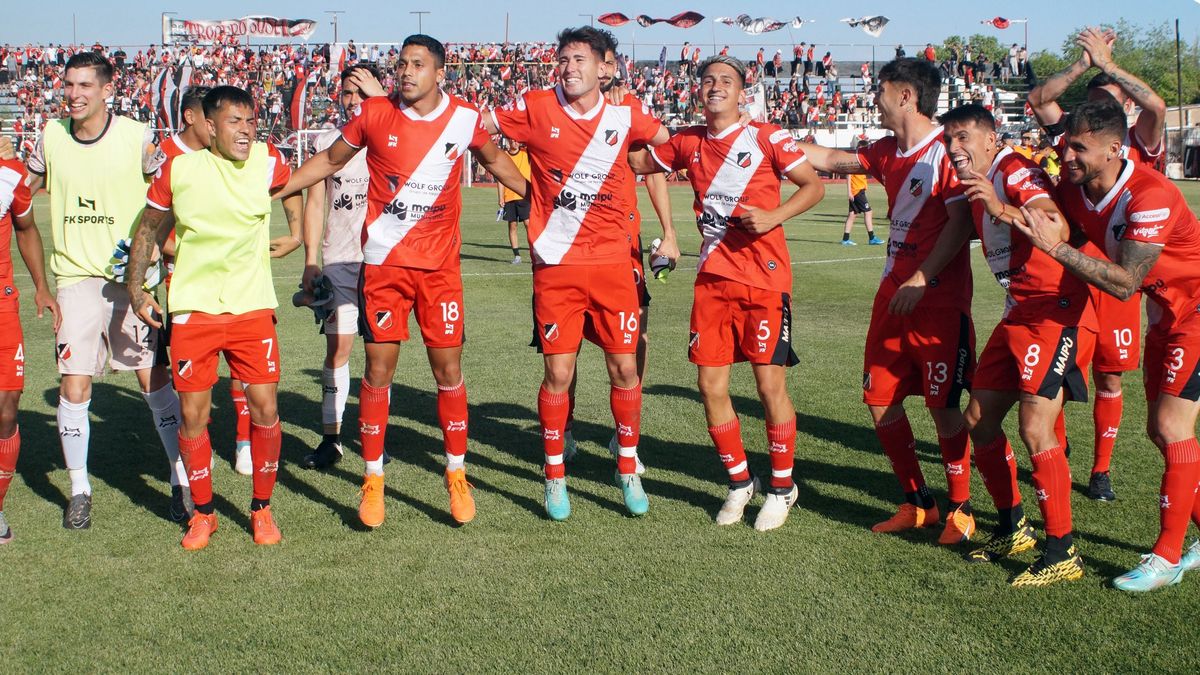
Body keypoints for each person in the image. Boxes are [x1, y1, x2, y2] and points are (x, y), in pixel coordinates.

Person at [280, 34, 529, 527]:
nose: (406, 72)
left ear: (440, 73)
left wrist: (543, 198)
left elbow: (496, 160)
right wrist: (276, 188)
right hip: (385, 268)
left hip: (440, 273)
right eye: (402, 64)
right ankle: (373, 480)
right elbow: (329, 160)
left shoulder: (463, 117)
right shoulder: (374, 114)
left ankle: (456, 473)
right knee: (377, 372)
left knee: (448, 373)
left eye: (418, 64)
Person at [630, 55, 824, 530]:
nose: (715, 86)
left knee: (768, 385)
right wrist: (625, 111)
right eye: (708, 80)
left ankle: (782, 486)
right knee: (709, 386)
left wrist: (775, 217)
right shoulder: (688, 141)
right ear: (699, 91)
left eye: (726, 81)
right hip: (714, 280)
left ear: (742, 92)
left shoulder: (767, 136)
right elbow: (636, 160)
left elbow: (813, 186)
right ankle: (740, 481)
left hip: (765, 279)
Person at [485, 26, 670, 520]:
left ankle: (626, 467)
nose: (568, 67)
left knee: (625, 368)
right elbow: (478, 130)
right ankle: (554, 477)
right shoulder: (537, 106)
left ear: (605, 67)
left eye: (579, 59)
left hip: (613, 264)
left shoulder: (626, 114)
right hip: (557, 266)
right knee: (558, 373)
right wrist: (521, 184)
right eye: (562, 59)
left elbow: (665, 144)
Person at [1014, 100, 1200, 591]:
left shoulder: (1149, 194)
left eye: (1079, 147)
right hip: (1165, 315)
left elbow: (1124, 283)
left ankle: (1166, 558)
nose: (1067, 156)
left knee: (1171, 425)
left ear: (1116, 148)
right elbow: (1042, 103)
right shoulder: (1078, 191)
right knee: (1159, 434)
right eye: (1067, 145)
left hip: (1197, 309)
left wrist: (1055, 248)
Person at [798, 58, 978, 545]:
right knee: (880, 400)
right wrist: (764, 136)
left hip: (937, 300)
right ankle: (919, 503)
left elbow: (962, 224)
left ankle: (961, 508)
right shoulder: (884, 151)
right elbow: (832, 159)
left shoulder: (946, 151)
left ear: (905, 95)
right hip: (891, 297)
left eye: (879, 91)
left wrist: (921, 276)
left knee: (943, 406)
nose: (872, 99)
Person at [127, 85, 302, 550]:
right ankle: (203, 513)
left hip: (251, 310)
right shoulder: (178, 170)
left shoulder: (267, 161)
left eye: (250, 121)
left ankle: (261, 508)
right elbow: (148, 228)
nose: (245, 130)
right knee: (193, 416)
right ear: (208, 125)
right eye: (234, 121)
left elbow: (302, 183)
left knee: (266, 409)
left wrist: (298, 232)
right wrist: (135, 289)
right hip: (193, 311)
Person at [19, 52, 187, 528]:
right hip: (74, 280)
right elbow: (22, 193)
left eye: (84, 86)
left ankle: (180, 479)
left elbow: (169, 194)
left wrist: (155, 248)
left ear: (107, 90)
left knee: (153, 383)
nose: (73, 94)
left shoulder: (137, 138)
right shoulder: (51, 137)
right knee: (74, 385)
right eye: (68, 85)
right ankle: (79, 489)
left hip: (129, 280)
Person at [943, 104, 1097, 586]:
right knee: (978, 420)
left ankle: (1062, 549)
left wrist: (1000, 208)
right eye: (949, 140)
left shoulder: (1014, 170)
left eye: (964, 138)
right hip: (1019, 313)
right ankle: (1013, 527)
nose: (954, 149)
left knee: (1036, 427)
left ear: (991, 139)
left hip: (1057, 312)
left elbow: (1056, 225)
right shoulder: (977, 183)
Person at [1027, 27, 1167, 501]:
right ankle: (1057, 453)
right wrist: (1084, 64)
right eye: (1094, 100)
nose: (1103, 107)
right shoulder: (1077, 139)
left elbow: (1157, 108)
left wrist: (1108, 65)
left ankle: (1101, 470)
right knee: (1062, 373)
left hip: (1120, 275)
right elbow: (1039, 97)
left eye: (1112, 98)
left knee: (1111, 372)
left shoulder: (1136, 144)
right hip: (1074, 270)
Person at [560, 32, 678, 471]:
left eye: (607, 63)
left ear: (610, 67)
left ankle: (624, 437)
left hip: (620, 249)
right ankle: (565, 430)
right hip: (567, 248)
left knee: (633, 341)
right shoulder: (561, 109)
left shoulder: (629, 113)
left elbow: (656, 169)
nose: (603, 70)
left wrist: (668, 232)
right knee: (564, 348)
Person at [297, 65, 377, 470]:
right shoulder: (328, 141)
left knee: (380, 356)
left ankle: (374, 437)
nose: (352, 100)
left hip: (382, 262)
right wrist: (311, 260)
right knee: (339, 349)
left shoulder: (391, 136)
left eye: (361, 92)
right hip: (340, 263)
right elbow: (315, 203)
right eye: (347, 92)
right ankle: (332, 439)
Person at [0, 153, 59, 544]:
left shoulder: (10, 173)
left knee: (6, 405)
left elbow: (26, 228)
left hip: (2, 305)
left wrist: (41, 285)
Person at [497, 140, 531, 264]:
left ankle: (534, 251)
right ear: (508, 141)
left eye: (516, 140)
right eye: (512, 140)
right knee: (512, 226)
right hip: (509, 196)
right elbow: (500, 178)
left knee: (529, 224)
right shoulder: (504, 156)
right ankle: (517, 256)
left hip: (524, 195)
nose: (515, 143)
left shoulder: (526, 153)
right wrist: (500, 197)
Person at [842, 140, 882, 246]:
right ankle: (872, 238)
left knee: (852, 214)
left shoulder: (861, 160)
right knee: (868, 212)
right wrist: (849, 192)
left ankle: (845, 239)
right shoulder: (854, 160)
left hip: (858, 190)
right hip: (857, 191)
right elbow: (848, 175)